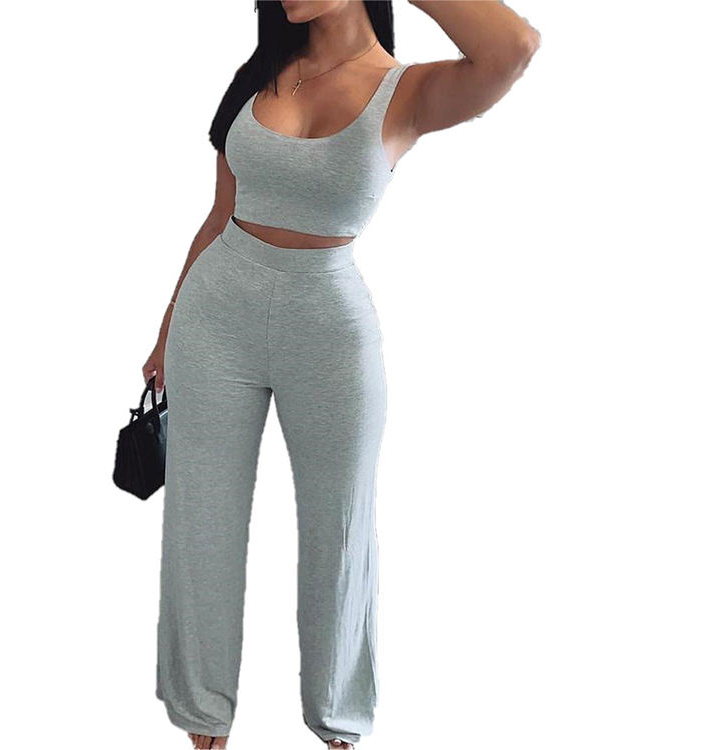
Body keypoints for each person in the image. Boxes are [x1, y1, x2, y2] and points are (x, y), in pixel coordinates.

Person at [143, 1, 540, 748]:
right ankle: (202, 718)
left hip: (327, 328)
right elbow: (220, 213)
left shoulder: (409, 90)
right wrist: (167, 327)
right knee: (201, 521)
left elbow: (514, 45)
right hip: (214, 315)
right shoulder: (260, 73)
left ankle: (339, 723)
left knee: (341, 527)